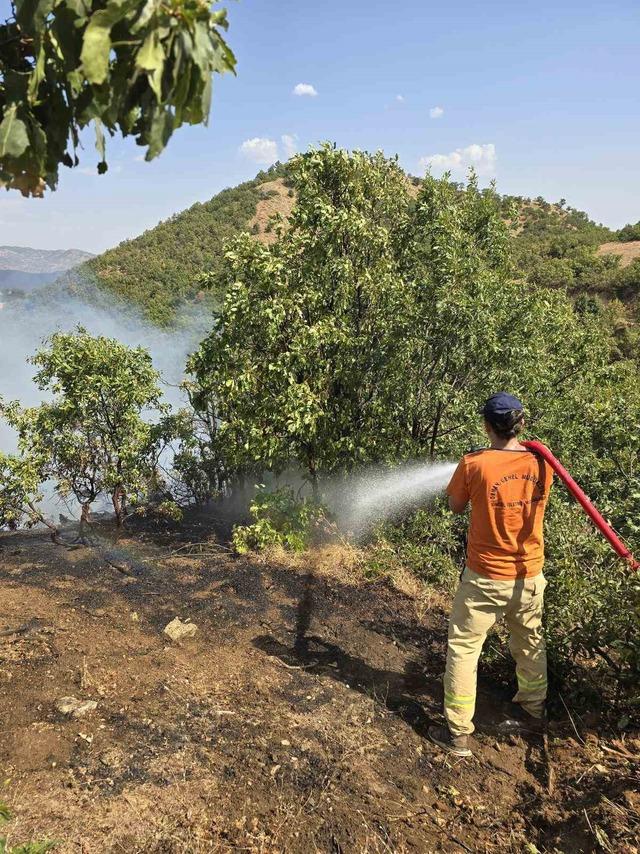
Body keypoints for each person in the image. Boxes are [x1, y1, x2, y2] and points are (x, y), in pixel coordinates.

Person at [428, 392, 553, 757]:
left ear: (486, 425)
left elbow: (454, 507)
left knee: (465, 649)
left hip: (484, 578)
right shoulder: (542, 463)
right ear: (521, 424)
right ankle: (533, 710)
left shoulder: (474, 464)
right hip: (529, 575)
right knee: (530, 642)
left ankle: (457, 735)